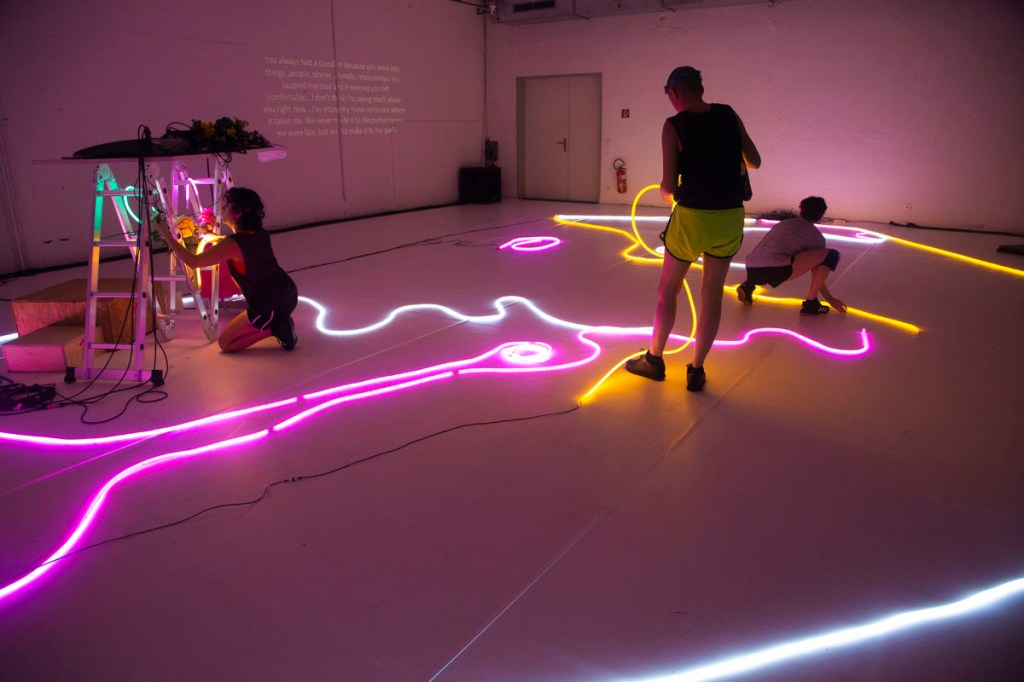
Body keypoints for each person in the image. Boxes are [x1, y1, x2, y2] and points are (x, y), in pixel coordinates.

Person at [625, 66, 760, 392]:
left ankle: (654, 360)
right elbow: (754, 161)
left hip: (693, 219)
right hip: (730, 216)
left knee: (668, 290)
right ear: (700, 88)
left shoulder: (674, 125)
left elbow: (669, 186)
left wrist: (665, 191)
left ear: (674, 93)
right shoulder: (728, 114)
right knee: (712, 295)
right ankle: (696, 370)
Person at [152, 186, 299, 353]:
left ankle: (277, 328)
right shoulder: (260, 234)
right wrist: (214, 238)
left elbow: (194, 262)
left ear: (238, 213)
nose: (222, 208)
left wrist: (167, 236)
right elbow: (242, 248)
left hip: (268, 306)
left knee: (226, 343)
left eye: (227, 205)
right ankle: (279, 320)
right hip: (289, 294)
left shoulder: (233, 244)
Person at [736, 196, 847, 315]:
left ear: (801, 209)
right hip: (777, 270)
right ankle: (811, 304)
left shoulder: (784, 223)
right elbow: (817, 272)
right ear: (821, 214)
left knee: (774, 253)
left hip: (752, 268)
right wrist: (830, 299)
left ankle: (748, 285)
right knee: (830, 255)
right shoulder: (816, 237)